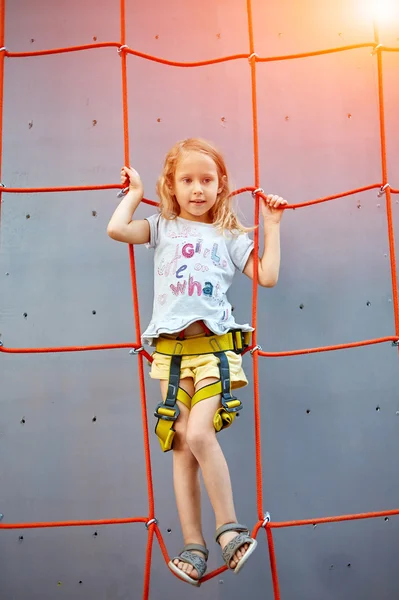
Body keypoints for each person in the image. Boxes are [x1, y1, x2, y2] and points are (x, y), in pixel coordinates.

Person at [107, 138, 287, 587]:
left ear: (221, 185)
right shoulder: (162, 226)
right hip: (170, 356)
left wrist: (272, 224)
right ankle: (194, 545)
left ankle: (229, 529)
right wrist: (134, 193)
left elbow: (267, 276)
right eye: (187, 180)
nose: (197, 189)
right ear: (171, 185)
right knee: (182, 444)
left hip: (213, 353)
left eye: (206, 180)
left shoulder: (227, 236)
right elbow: (116, 230)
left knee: (200, 431)